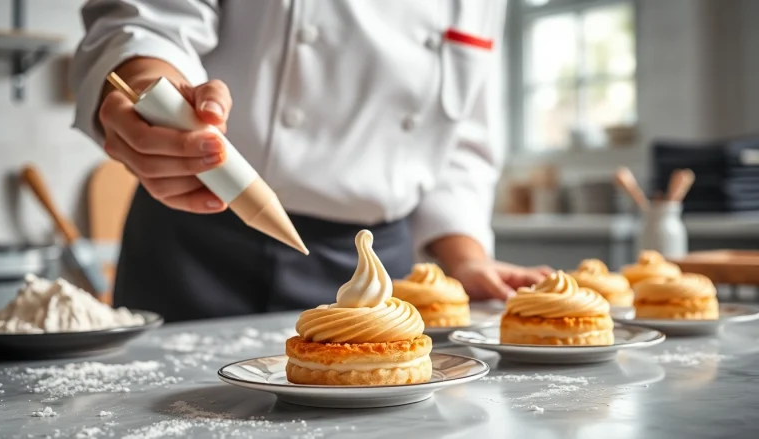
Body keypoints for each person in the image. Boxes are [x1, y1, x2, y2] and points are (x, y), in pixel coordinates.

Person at [70, 0, 550, 322]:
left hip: (383, 271)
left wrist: (466, 260)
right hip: (199, 239)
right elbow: (147, 20)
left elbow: (458, 138)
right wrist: (152, 87)